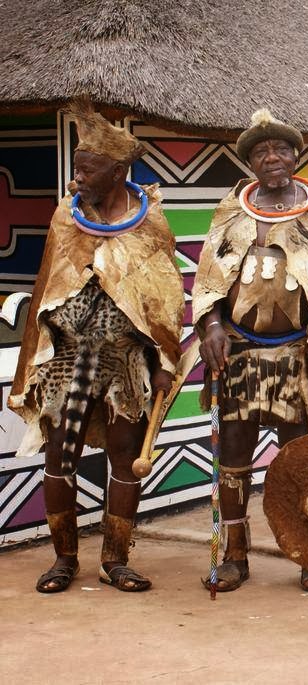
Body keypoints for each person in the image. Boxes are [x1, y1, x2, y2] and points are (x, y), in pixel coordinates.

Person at [9, 100, 184, 593]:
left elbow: (166, 295)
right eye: (76, 168)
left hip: (124, 360)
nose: (77, 178)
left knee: (127, 454)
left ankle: (115, 558)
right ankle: (64, 558)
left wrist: (166, 358)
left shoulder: (150, 222)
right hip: (67, 356)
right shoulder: (66, 217)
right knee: (58, 453)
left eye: (88, 169)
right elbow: (49, 285)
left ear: (118, 171)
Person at [192, 109, 308, 593]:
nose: (272, 158)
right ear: (250, 163)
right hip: (240, 354)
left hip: (298, 357)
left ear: (295, 155)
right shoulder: (233, 210)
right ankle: (235, 556)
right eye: (261, 152)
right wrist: (212, 326)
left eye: (280, 149)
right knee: (235, 453)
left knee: (302, 454)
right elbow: (208, 279)